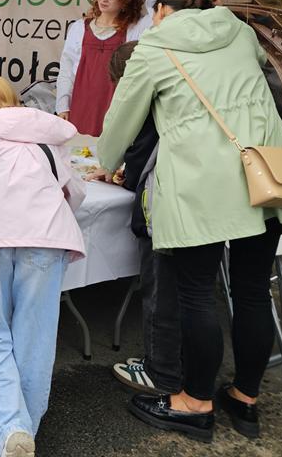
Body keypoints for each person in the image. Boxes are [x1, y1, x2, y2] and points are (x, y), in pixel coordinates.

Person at [99, 0, 282, 442]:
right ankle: (244, 399)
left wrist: (106, 161)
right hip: (267, 171)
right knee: (254, 291)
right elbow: (255, 68)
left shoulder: (154, 48)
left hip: (203, 180)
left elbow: (121, 122)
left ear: (161, 12)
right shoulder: (238, 31)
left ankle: (194, 402)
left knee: (196, 293)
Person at [0, 74, 85, 457]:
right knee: (35, 336)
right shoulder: (49, 137)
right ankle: (25, 426)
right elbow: (75, 191)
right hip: (47, 238)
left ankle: (11, 430)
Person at [90, 42, 180, 398]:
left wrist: (120, 173)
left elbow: (134, 147)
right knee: (191, 293)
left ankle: (161, 372)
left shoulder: (146, 100)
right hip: (203, 206)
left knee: (160, 287)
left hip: (164, 205)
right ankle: (181, 372)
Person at [56, 0, 164, 137]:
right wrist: (63, 104)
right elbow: (66, 68)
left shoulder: (135, 29)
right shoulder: (79, 28)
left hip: (115, 108)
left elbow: (164, 7)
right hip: (80, 106)